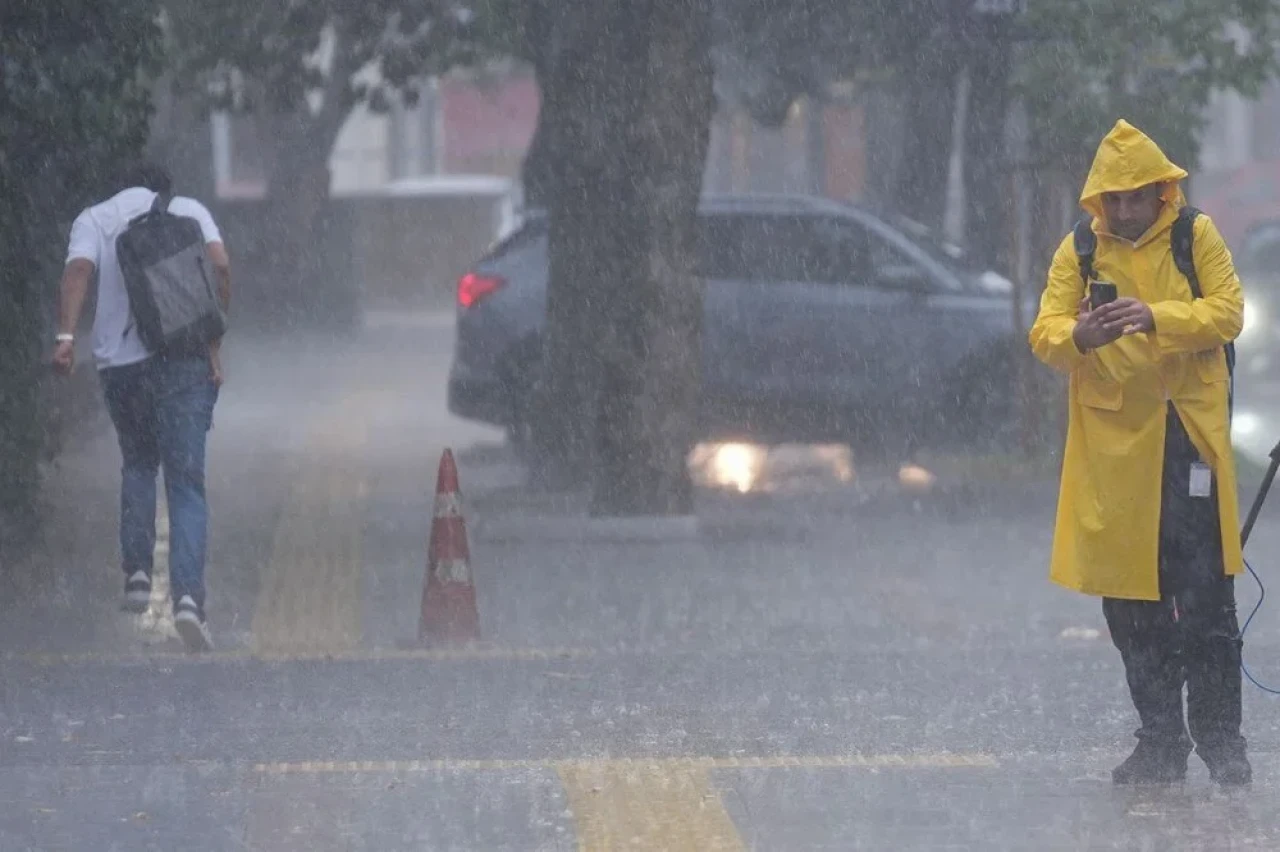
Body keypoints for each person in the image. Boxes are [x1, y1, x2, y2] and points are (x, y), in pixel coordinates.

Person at [1029, 119, 1251, 786]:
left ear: (1161, 191)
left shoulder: (1195, 235)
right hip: (1115, 453)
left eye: (1137, 197)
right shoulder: (1080, 249)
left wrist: (1157, 317)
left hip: (1189, 441)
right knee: (1130, 606)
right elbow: (1045, 333)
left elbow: (1229, 313)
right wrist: (1082, 336)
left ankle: (1222, 744)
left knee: (1206, 602)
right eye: (1114, 199)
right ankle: (1159, 740)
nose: (1125, 210)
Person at [52, 161, 231, 652]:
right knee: (186, 484)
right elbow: (219, 266)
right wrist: (214, 344)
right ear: (163, 190)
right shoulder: (187, 211)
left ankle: (136, 575)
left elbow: (78, 272)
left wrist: (66, 337)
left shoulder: (94, 219)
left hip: (122, 369)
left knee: (137, 463)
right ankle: (188, 600)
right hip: (183, 359)